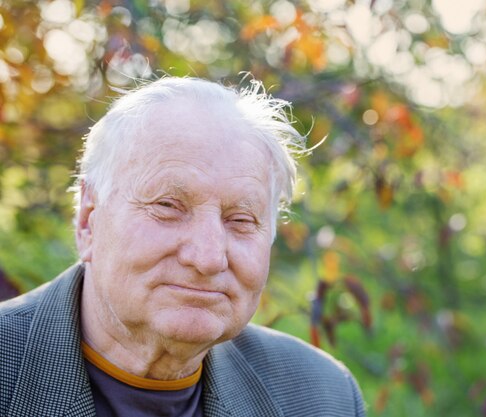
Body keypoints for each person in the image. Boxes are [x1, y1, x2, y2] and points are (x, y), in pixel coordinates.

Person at [0, 77, 365, 416]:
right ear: (88, 220)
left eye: (241, 219)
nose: (207, 258)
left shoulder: (323, 396)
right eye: (168, 206)